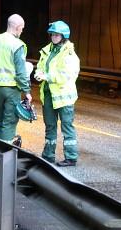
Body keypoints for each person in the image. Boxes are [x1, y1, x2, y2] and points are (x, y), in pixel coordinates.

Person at [34, 20, 80, 167]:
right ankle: (48, 155)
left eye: (56, 34)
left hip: (63, 97)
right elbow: (41, 66)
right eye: (52, 34)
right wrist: (38, 73)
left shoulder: (69, 54)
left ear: (63, 36)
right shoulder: (47, 50)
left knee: (67, 126)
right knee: (50, 126)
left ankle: (71, 157)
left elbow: (66, 75)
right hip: (48, 95)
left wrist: (46, 76)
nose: (53, 37)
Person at [0, 14, 32, 145]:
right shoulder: (17, 45)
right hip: (12, 89)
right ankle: (4, 155)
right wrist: (27, 91)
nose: (22, 31)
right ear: (17, 27)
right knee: (9, 121)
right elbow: (21, 72)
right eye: (22, 28)